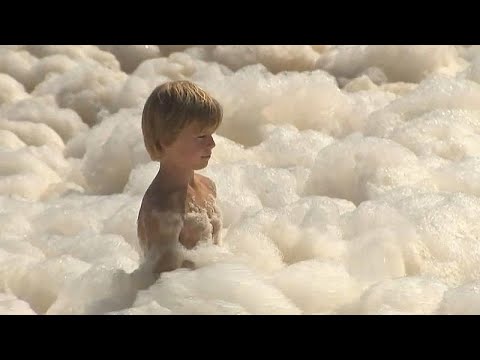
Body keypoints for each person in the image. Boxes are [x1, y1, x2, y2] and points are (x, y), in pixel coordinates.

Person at [136, 80, 223, 280]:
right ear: (165, 140)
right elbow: (161, 286)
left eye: (211, 134)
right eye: (201, 137)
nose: (212, 144)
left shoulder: (207, 186)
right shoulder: (161, 208)